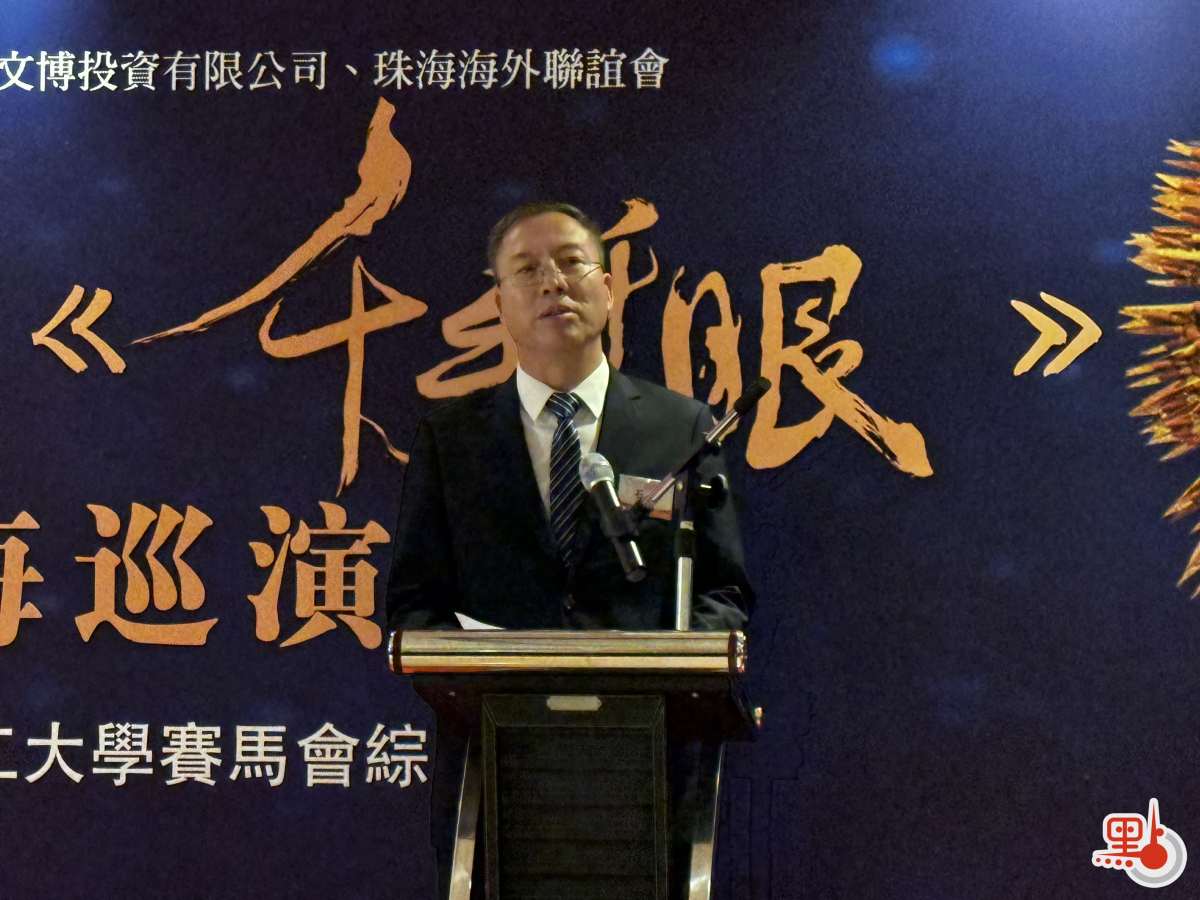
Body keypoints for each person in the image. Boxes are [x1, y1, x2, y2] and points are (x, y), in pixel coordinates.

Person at [384, 201, 754, 897]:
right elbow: (413, 601)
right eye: (527, 269)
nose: (552, 282)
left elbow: (723, 590)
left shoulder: (683, 429)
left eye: (571, 263)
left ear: (609, 289)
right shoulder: (451, 439)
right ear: (499, 303)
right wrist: (474, 681)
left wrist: (673, 673)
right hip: (497, 760)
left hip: (648, 756)